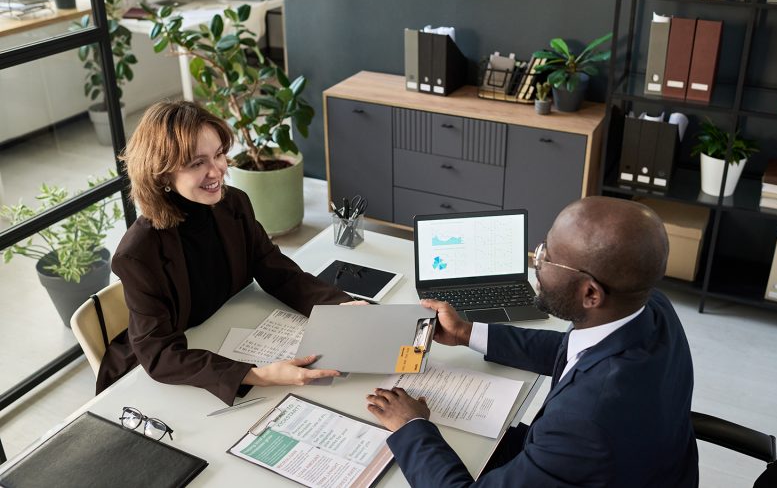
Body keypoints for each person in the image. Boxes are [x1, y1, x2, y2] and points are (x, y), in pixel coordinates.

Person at [366, 196, 699, 487]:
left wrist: (411, 426)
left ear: (591, 294)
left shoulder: (584, 422)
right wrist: (467, 333)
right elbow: (571, 353)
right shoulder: (649, 307)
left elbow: (583, 421)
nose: (535, 263)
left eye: (547, 258)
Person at [97, 100, 353, 405]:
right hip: (161, 374)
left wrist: (342, 306)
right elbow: (160, 354)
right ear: (162, 175)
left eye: (218, 154)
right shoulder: (138, 253)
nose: (217, 170)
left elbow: (274, 269)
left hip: (226, 329)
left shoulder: (234, 204)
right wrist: (258, 375)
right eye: (197, 163)